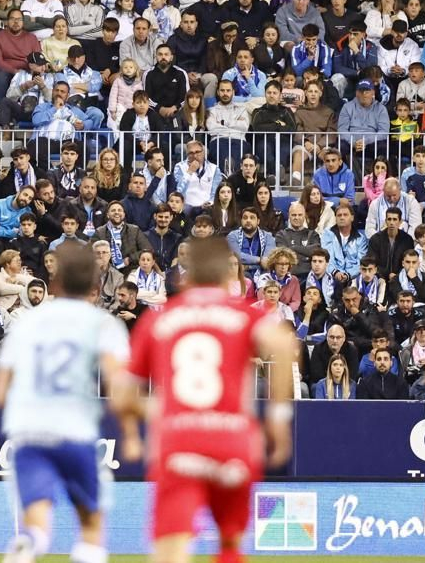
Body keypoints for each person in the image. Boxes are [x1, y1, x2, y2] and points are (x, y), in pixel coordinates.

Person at [112, 235, 299, 563]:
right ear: (227, 275)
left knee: (171, 549)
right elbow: (283, 345)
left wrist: (157, 409)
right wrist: (277, 417)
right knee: (230, 544)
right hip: (232, 437)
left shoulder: (158, 319)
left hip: (179, 439)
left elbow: (123, 394)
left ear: (187, 274)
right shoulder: (243, 314)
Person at [0, 241, 129, 563]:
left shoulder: (27, 322)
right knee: (91, 524)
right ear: (95, 287)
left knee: (37, 520)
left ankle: (29, 542)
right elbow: (121, 387)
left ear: (54, 283)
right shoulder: (104, 324)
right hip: (74, 431)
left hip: (29, 433)